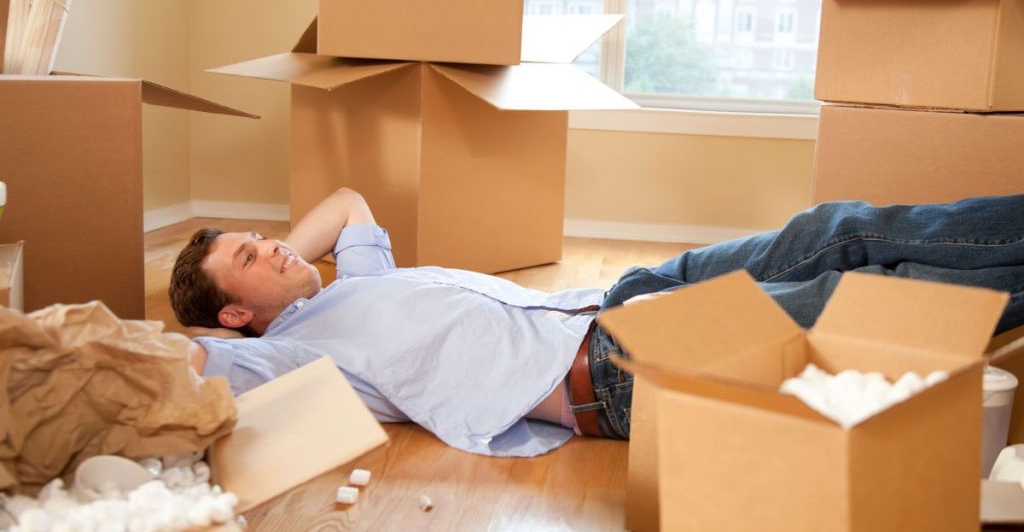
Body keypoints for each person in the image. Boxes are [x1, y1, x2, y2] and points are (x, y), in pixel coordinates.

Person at [171, 188, 1024, 456]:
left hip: (623, 295)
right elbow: (193, 361)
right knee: (872, 299)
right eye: (250, 259)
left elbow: (349, 199)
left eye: (265, 238)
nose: (278, 247)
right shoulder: (298, 358)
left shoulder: (349, 283)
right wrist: (231, 327)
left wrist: (274, 252)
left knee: (836, 230)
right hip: (621, 365)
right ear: (238, 314)